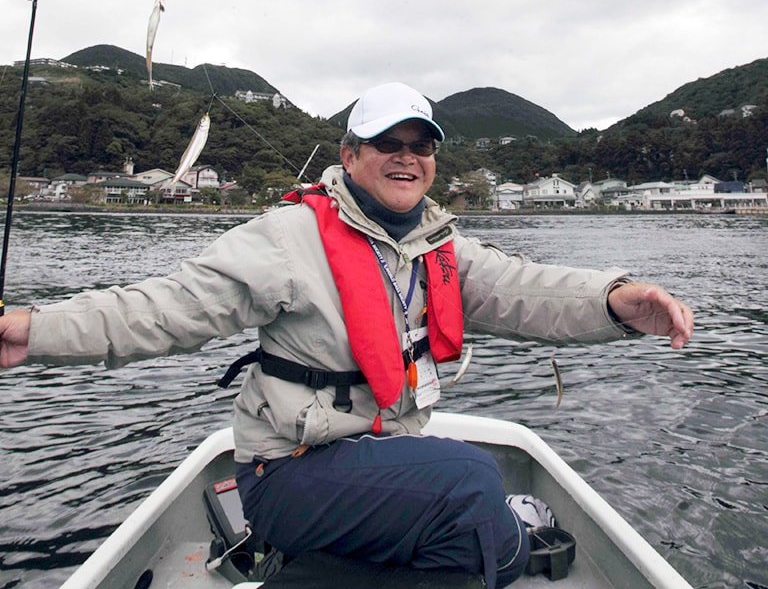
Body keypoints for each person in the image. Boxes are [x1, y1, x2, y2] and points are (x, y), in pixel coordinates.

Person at [0, 82, 693, 587]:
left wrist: (618, 299)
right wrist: (33, 330)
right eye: (386, 144)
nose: (406, 158)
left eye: (419, 147)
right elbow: (164, 308)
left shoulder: (435, 244)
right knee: (475, 489)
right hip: (291, 471)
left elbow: (526, 289)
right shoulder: (283, 238)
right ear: (350, 154)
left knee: (497, 544)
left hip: (382, 460)